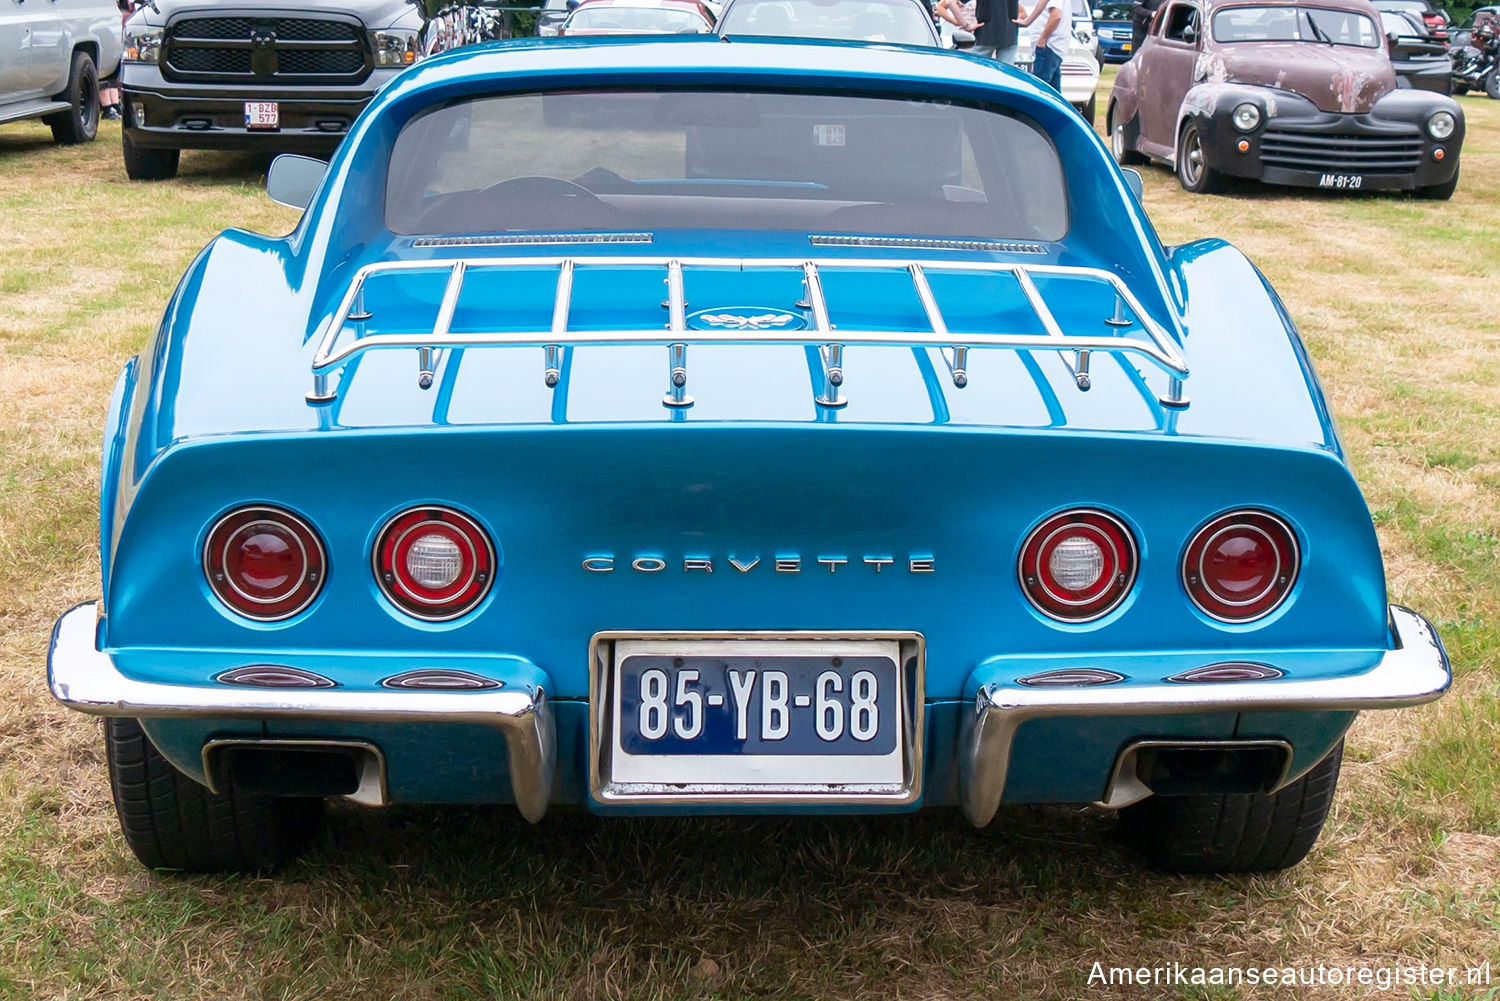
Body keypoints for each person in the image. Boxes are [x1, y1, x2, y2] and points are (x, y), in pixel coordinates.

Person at [1015, 0, 1066, 91]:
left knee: (1039, 90)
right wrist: (1027, 22)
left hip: (1048, 47)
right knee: (1054, 94)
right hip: (1053, 48)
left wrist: (1042, 40)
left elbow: (1056, 16)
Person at [968, 0, 1020, 64]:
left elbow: (952, 2)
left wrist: (966, 25)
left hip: (985, 33)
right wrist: (1028, 21)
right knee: (1005, 71)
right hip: (1009, 33)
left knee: (978, 70)